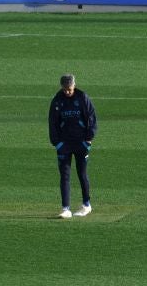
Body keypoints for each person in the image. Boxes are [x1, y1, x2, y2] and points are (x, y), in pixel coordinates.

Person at [48, 73, 97, 219]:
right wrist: (57, 143)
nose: (67, 92)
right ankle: (65, 209)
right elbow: (52, 123)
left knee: (82, 174)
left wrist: (89, 139)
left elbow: (92, 118)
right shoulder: (57, 101)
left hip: (81, 142)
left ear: (74, 85)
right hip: (64, 144)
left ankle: (86, 205)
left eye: (69, 89)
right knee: (65, 176)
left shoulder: (82, 98)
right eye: (65, 89)